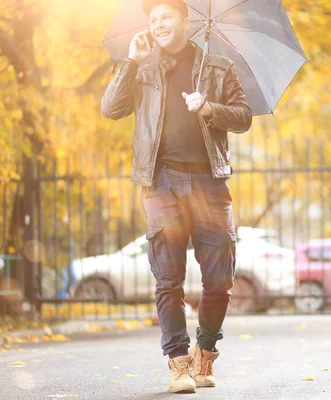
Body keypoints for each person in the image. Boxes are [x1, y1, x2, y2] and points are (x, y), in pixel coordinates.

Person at [101, 0, 252, 393]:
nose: (159, 24)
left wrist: (209, 108)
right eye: (153, 20)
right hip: (161, 183)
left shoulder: (218, 68)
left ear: (186, 20)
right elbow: (110, 109)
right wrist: (130, 62)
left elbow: (244, 116)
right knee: (168, 280)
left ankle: (206, 353)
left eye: (166, 16)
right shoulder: (143, 69)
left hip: (209, 183)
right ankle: (179, 363)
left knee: (219, 280)